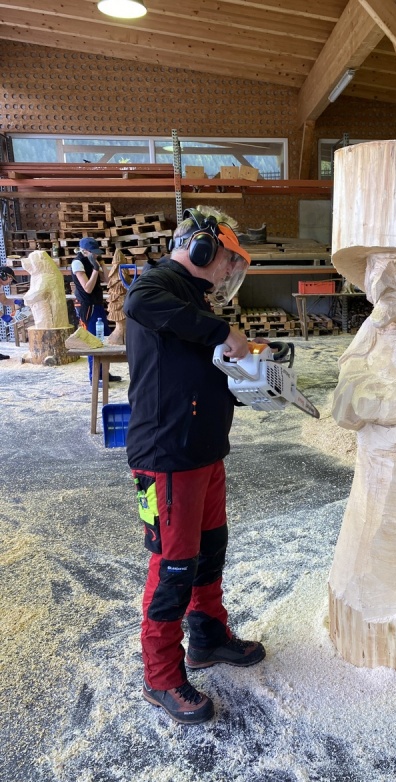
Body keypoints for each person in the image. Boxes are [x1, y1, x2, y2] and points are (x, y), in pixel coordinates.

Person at [124, 207, 265, 725]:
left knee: (209, 552)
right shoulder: (157, 284)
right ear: (202, 248)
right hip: (167, 456)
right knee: (174, 567)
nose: (228, 271)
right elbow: (139, 303)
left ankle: (208, 637)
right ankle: (161, 675)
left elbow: (197, 364)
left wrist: (251, 380)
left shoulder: (193, 298)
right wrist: (223, 331)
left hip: (204, 449)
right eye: (227, 259)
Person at [71, 237, 121, 384]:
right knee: (93, 341)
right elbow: (87, 288)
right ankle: (94, 376)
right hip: (88, 306)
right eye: (93, 252)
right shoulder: (77, 263)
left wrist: (102, 264)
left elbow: (108, 280)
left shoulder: (94, 260)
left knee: (105, 338)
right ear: (84, 251)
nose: (95, 255)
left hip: (98, 304)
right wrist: (94, 269)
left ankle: (104, 373)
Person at [0, 266, 16, 359]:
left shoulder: (1, 286)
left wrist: (15, 302)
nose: (10, 281)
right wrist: (2, 315)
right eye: (10, 278)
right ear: (3, 275)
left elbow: (4, 301)